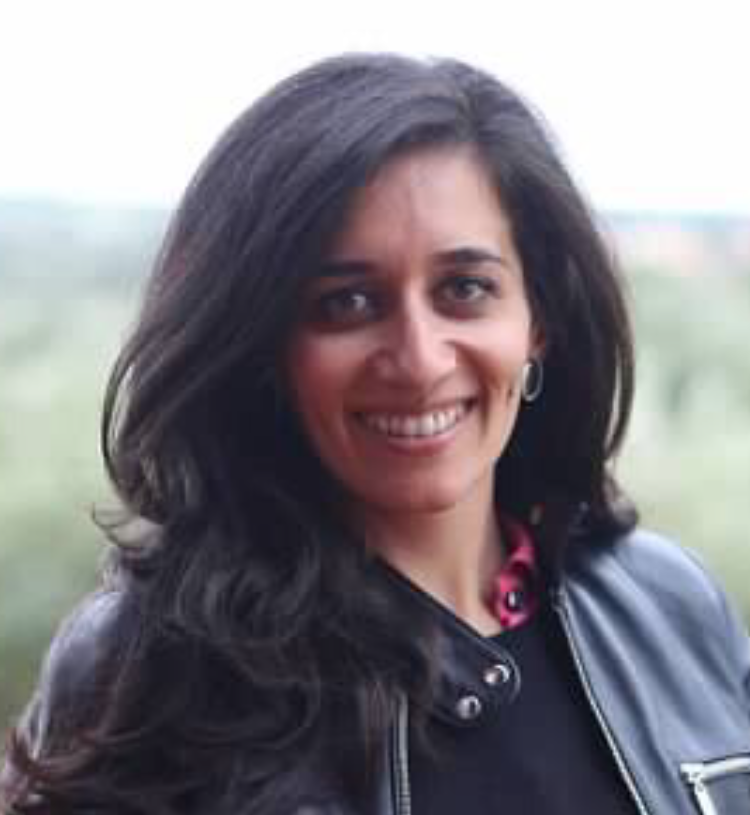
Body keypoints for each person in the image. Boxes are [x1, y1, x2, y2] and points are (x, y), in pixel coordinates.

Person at [2, 52, 749, 815]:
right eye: (347, 302)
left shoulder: (673, 607)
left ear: (538, 321)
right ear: (265, 347)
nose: (419, 360)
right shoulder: (146, 671)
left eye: (465, 289)